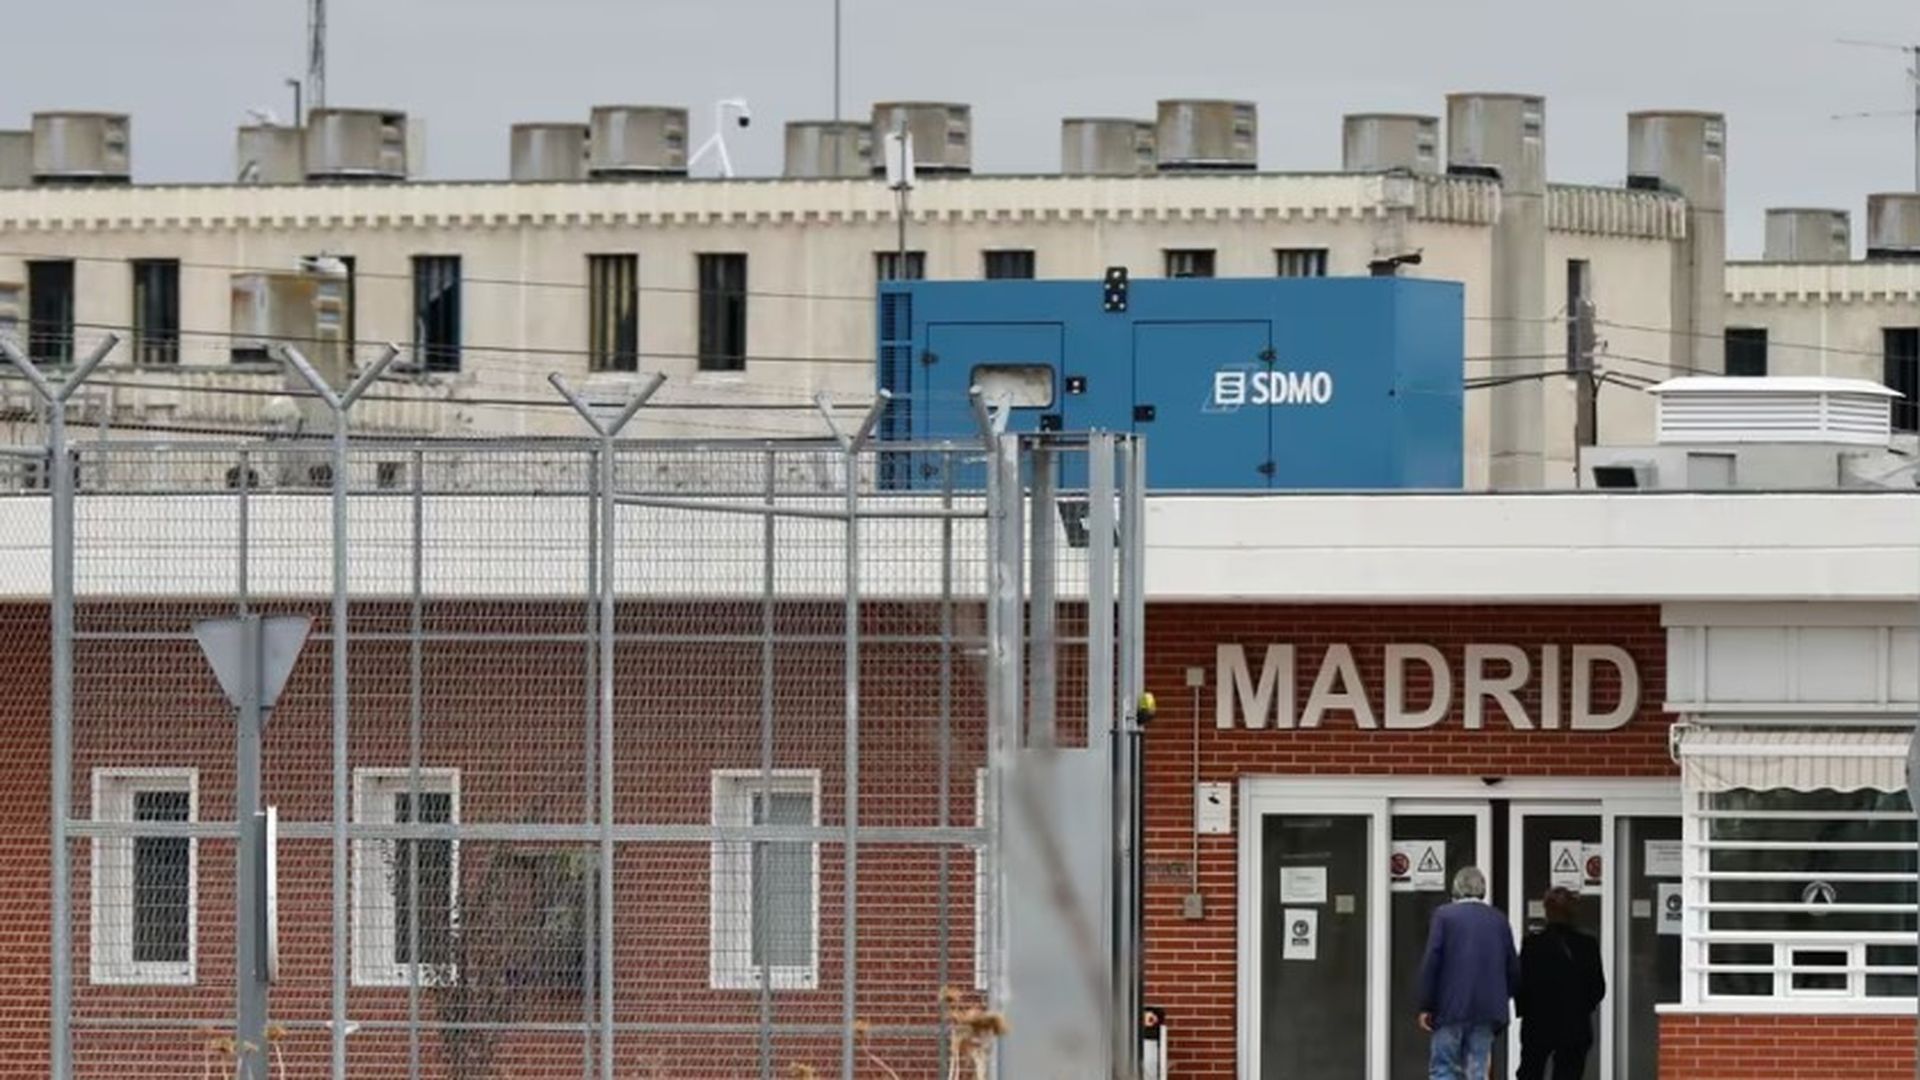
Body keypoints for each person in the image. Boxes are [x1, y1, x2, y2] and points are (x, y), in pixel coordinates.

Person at [1417, 866, 1518, 1080]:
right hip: (1486, 1011)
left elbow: (1432, 960)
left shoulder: (1444, 915)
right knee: (1477, 1071)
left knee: (1444, 1069)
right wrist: (1502, 996)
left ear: (1455, 890)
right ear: (1483, 890)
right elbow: (1512, 967)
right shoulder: (1499, 919)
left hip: (1449, 1008)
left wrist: (1426, 1004)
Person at [1516, 886, 1607, 1080]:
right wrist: (1581, 1008)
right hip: (1574, 1025)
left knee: (1531, 1072)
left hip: (1537, 1024)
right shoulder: (1587, 945)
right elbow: (1597, 988)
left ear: (1547, 911)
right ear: (1573, 912)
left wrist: (1526, 1010)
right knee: (1568, 1073)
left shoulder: (1532, 945)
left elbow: (1520, 984)